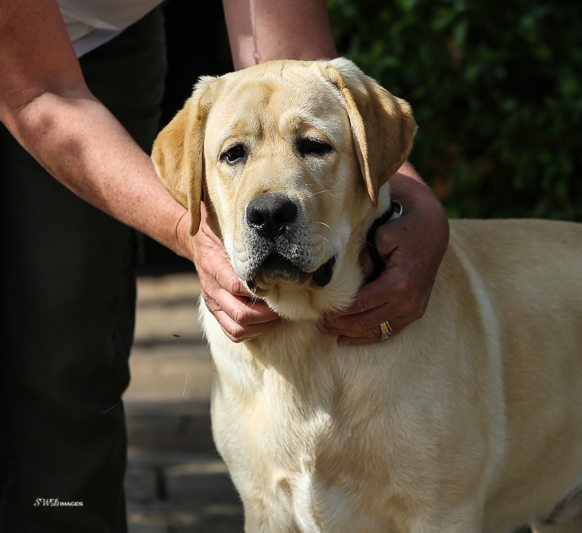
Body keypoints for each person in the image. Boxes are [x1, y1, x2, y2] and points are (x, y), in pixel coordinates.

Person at [0, 1, 449, 531]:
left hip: (107, 35)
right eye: (234, 154)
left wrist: (413, 201)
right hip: (26, 57)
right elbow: (37, 92)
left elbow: (292, 57)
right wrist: (195, 235)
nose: (269, 199)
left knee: (68, 363)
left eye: (311, 147)